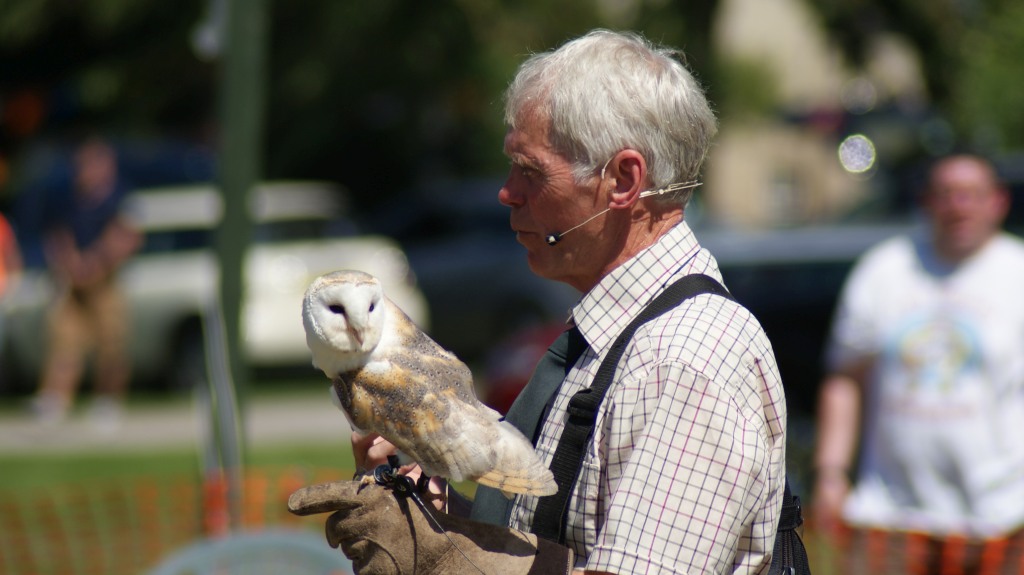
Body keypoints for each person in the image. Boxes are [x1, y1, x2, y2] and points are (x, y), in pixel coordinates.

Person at [289, 29, 788, 574]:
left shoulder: (683, 359)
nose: (506, 192)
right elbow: (558, 543)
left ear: (623, 180)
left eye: (530, 171)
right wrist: (442, 522)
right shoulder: (618, 335)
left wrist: (445, 564)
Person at [812, 154, 1024, 573]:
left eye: (971, 195)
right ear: (926, 202)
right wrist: (831, 472)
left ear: (998, 202)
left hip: (1001, 512)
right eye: (946, 194)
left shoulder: (1016, 272)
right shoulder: (885, 270)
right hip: (892, 513)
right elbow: (845, 377)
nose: (958, 206)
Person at [30, 137, 142, 425]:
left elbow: (126, 236)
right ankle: (55, 400)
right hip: (73, 282)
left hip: (106, 281)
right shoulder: (68, 199)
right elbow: (57, 236)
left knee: (112, 343)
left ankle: (108, 403)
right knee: (64, 341)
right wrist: (71, 264)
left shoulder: (120, 198)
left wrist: (95, 263)